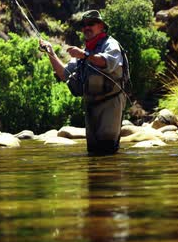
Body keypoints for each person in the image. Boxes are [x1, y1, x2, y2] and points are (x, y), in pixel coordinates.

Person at [40, 10, 127, 155]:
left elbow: (107, 61)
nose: (86, 27)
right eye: (84, 25)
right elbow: (64, 74)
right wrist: (51, 53)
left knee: (108, 151)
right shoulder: (85, 51)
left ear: (101, 26)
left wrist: (84, 54)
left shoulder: (111, 44)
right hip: (91, 105)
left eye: (91, 24)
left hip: (110, 104)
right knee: (93, 152)